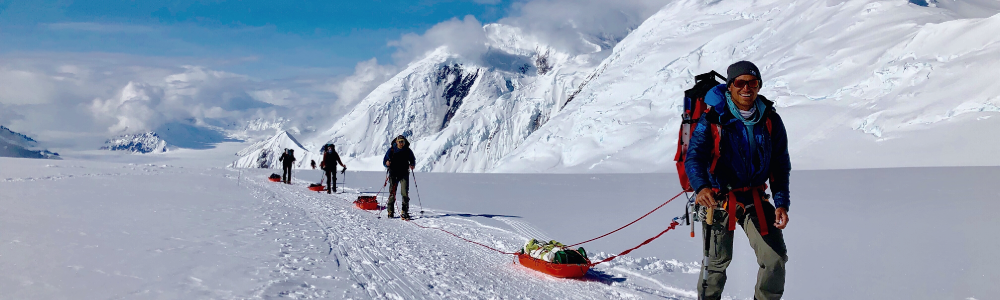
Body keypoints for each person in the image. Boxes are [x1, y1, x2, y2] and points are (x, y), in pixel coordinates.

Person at [684, 61, 791, 300]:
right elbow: (695, 157)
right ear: (730, 87)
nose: (746, 88)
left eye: (752, 83)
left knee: (774, 259)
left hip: (755, 197)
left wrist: (781, 202)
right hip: (718, 198)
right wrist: (701, 187)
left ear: (759, 86)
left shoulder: (771, 120)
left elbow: (780, 165)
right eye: (740, 82)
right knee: (716, 263)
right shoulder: (713, 119)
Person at [383, 135, 416, 220]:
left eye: (403, 141)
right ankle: (390, 211)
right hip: (393, 174)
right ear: (396, 142)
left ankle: (404, 211)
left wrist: (412, 164)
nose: (401, 143)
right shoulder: (391, 150)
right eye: (400, 141)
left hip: (404, 173)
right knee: (392, 193)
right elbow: (385, 161)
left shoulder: (408, 151)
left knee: (404, 192)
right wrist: (387, 163)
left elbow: (412, 159)